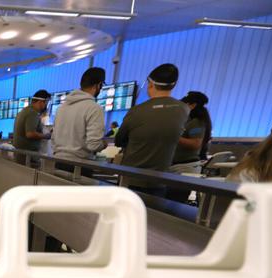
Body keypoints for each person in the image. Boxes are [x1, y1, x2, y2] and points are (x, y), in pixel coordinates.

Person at [115, 63, 188, 199]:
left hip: (131, 179)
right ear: (173, 85)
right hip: (160, 180)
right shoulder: (184, 110)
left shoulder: (137, 111)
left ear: (150, 84)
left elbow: (119, 140)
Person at [52, 67, 107, 163]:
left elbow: (53, 139)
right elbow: (93, 145)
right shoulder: (94, 108)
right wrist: (104, 144)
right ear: (98, 85)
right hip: (80, 165)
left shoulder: (61, 108)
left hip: (57, 162)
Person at [171, 91, 213, 174]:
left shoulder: (196, 122)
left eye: (184, 104)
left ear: (193, 105)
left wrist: (174, 137)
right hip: (180, 166)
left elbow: (196, 144)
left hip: (185, 167)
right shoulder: (189, 121)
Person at [13, 90, 51, 164]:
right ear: (40, 102)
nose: (46, 106)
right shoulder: (32, 113)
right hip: (28, 157)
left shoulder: (24, 111)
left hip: (20, 154)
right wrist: (46, 136)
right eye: (46, 103)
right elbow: (30, 134)